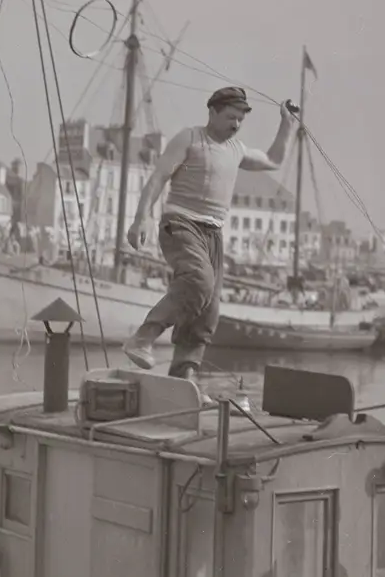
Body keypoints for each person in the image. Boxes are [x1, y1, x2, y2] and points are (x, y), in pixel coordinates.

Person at [122, 86, 296, 381]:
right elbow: (158, 178)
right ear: (212, 112)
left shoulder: (236, 150)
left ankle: (184, 373)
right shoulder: (189, 139)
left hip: (213, 233)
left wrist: (287, 124)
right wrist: (140, 219)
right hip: (181, 224)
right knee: (199, 281)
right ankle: (143, 338)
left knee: (209, 309)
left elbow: (273, 160)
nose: (236, 125)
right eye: (230, 117)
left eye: (240, 120)